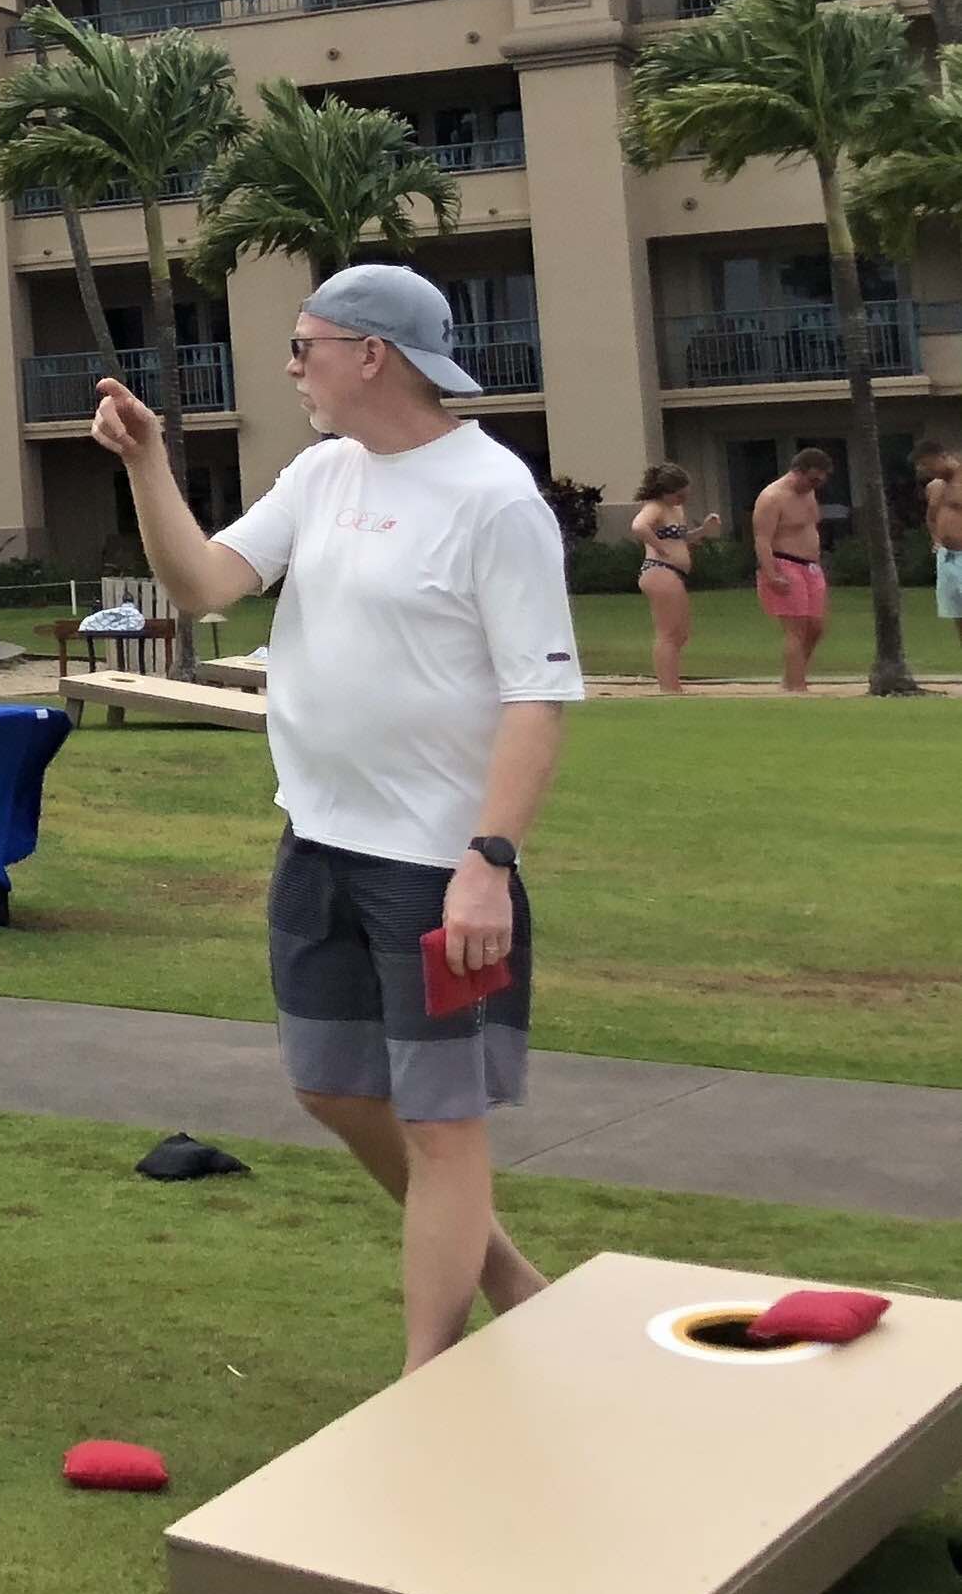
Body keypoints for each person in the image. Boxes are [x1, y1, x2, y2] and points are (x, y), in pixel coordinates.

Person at [97, 262, 582, 1371]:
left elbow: (537, 698)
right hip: (317, 839)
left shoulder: (494, 495)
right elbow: (207, 583)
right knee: (328, 1081)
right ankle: (509, 1278)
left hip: (437, 867)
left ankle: (428, 1375)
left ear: (373, 353)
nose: (291, 363)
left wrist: (488, 862)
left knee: (443, 1121)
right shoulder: (321, 474)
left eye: (304, 342)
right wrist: (146, 461)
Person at [627, 466, 720, 698]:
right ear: (664, 491)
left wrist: (703, 531)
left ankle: (673, 683)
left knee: (680, 633)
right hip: (660, 570)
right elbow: (639, 526)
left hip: (674, 572)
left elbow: (680, 539)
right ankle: (669, 688)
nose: (682, 500)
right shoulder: (654, 507)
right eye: (679, 495)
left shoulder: (675, 509)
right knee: (668, 632)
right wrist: (658, 547)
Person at [750, 446, 833, 694]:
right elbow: (762, 538)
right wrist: (771, 574)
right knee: (795, 628)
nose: (815, 485)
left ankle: (792, 676)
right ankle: (797, 686)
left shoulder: (808, 493)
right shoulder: (772, 497)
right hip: (784, 562)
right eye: (812, 479)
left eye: (820, 480)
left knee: (816, 627)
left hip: (810, 566)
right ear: (798, 471)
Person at [921, 442, 962, 662]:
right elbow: (931, 516)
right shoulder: (934, 487)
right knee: (958, 615)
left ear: (943, 456)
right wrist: (936, 539)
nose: (930, 472)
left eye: (930, 466)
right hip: (947, 557)